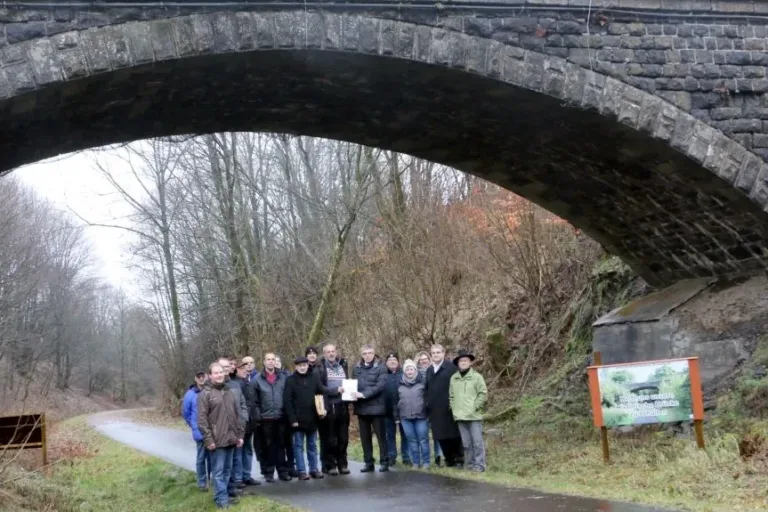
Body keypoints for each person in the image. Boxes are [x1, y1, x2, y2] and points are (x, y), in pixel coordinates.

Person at [197, 362, 244, 509]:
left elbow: (237, 415)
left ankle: (225, 497)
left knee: (227, 470)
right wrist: (208, 439)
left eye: (221, 372)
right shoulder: (205, 394)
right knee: (218, 472)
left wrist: (239, 435)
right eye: (215, 373)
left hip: (231, 438)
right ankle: (220, 500)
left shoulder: (229, 391)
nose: (219, 375)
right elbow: (202, 420)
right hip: (216, 441)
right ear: (210, 375)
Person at [285, 356, 340, 480]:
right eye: (300, 366)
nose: (303, 367)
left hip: (312, 418)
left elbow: (323, 390)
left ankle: (314, 469)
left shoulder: (313, 378)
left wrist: (337, 390)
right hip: (298, 420)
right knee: (298, 446)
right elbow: (287, 402)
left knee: (312, 445)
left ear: (307, 366)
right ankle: (301, 471)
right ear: (296, 367)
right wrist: (292, 419)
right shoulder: (290, 380)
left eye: (304, 365)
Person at [252, 352, 292, 482]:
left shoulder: (283, 378)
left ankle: (282, 471)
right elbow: (254, 401)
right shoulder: (257, 379)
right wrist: (258, 417)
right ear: (264, 362)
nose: (270, 362)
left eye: (273, 359)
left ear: (275, 362)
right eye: (268, 359)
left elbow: (288, 396)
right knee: (268, 446)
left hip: (281, 417)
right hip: (265, 419)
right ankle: (269, 472)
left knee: (281, 445)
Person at [314, 342, 350, 475]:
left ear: (336, 352)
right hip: (329, 406)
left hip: (343, 405)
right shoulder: (320, 367)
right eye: (328, 352)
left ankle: (343, 464)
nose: (331, 353)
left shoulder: (343, 365)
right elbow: (320, 387)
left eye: (333, 351)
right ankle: (331, 465)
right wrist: (335, 390)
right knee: (330, 438)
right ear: (324, 354)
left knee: (343, 438)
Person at [351, 344, 389, 472]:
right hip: (361, 408)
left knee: (381, 437)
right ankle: (368, 462)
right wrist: (351, 395)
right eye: (365, 353)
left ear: (374, 353)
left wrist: (364, 394)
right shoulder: (356, 368)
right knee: (365, 438)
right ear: (361, 355)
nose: (367, 356)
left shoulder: (382, 367)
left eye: (370, 353)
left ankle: (384, 462)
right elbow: (353, 385)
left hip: (377, 407)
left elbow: (381, 385)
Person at [425, 344, 464, 468]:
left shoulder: (451, 368)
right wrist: (428, 403)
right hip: (434, 409)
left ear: (443, 353)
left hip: (449, 407)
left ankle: (459, 459)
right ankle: (449, 460)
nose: (436, 355)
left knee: (453, 435)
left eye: (438, 352)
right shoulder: (429, 370)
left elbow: (457, 388)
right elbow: (426, 389)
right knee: (440, 436)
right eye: (433, 353)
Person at [449, 350, 488, 472]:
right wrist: (454, 408)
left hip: (474, 416)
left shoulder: (477, 377)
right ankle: (470, 464)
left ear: (470, 362)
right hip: (460, 416)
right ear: (458, 363)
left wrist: (475, 406)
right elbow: (451, 396)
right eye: (461, 361)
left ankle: (480, 465)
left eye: (465, 360)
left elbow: (483, 394)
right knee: (466, 444)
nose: (463, 362)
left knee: (477, 442)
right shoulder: (454, 378)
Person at [219, 357, 248, 492]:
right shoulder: (211, 388)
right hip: (220, 432)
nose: (226, 370)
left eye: (228, 367)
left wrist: (243, 421)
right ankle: (223, 494)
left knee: (232, 461)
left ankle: (232, 487)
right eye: (223, 368)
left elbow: (242, 405)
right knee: (222, 465)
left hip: (236, 427)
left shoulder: (236, 385)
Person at [395, 359, 430, 468]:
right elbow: (395, 401)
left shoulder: (423, 382)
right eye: (407, 369)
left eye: (411, 369)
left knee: (423, 440)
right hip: (405, 417)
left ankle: (426, 462)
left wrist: (427, 411)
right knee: (412, 441)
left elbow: (428, 398)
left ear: (415, 370)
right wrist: (397, 416)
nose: (409, 371)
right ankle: (416, 462)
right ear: (404, 371)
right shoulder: (399, 384)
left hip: (421, 417)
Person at [233, 360, 261, 487]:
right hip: (240, 423)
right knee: (239, 450)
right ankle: (238, 478)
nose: (244, 370)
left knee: (248, 449)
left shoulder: (248, 382)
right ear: (236, 370)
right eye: (241, 368)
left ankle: (247, 475)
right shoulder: (234, 384)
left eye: (246, 368)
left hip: (250, 422)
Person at [182, 371, 210, 491]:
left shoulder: (210, 390)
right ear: (195, 378)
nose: (201, 378)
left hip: (213, 430)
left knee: (214, 458)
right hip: (200, 431)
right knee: (201, 458)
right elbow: (186, 413)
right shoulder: (190, 394)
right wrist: (194, 426)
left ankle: (213, 480)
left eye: (203, 376)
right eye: (199, 376)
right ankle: (202, 482)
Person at [384, 352, 411, 467]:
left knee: (405, 434)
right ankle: (391, 456)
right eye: (390, 360)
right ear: (386, 363)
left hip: (403, 410)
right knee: (389, 435)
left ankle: (406, 456)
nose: (392, 362)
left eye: (394, 359)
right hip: (387, 410)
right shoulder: (383, 375)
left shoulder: (404, 374)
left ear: (398, 362)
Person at [417, 350, 442, 466]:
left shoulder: (434, 371)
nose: (423, 361)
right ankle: (425, 460)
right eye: (421, 360)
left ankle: (439, 457)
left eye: (425, 359)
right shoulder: (414, 373)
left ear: (429, 359)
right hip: (421, 410)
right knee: (423, 437)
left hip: (435, 408)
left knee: (437, 434)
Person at [274, 353, 296, 476]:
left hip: (289, 414)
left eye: (278, 360)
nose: (276, 363)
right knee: (280, 443)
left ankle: (292, 466)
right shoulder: (270, 378)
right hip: (277, 415)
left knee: (290, 443)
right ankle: (282, 469)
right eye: (273, 360)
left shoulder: (288, 376)